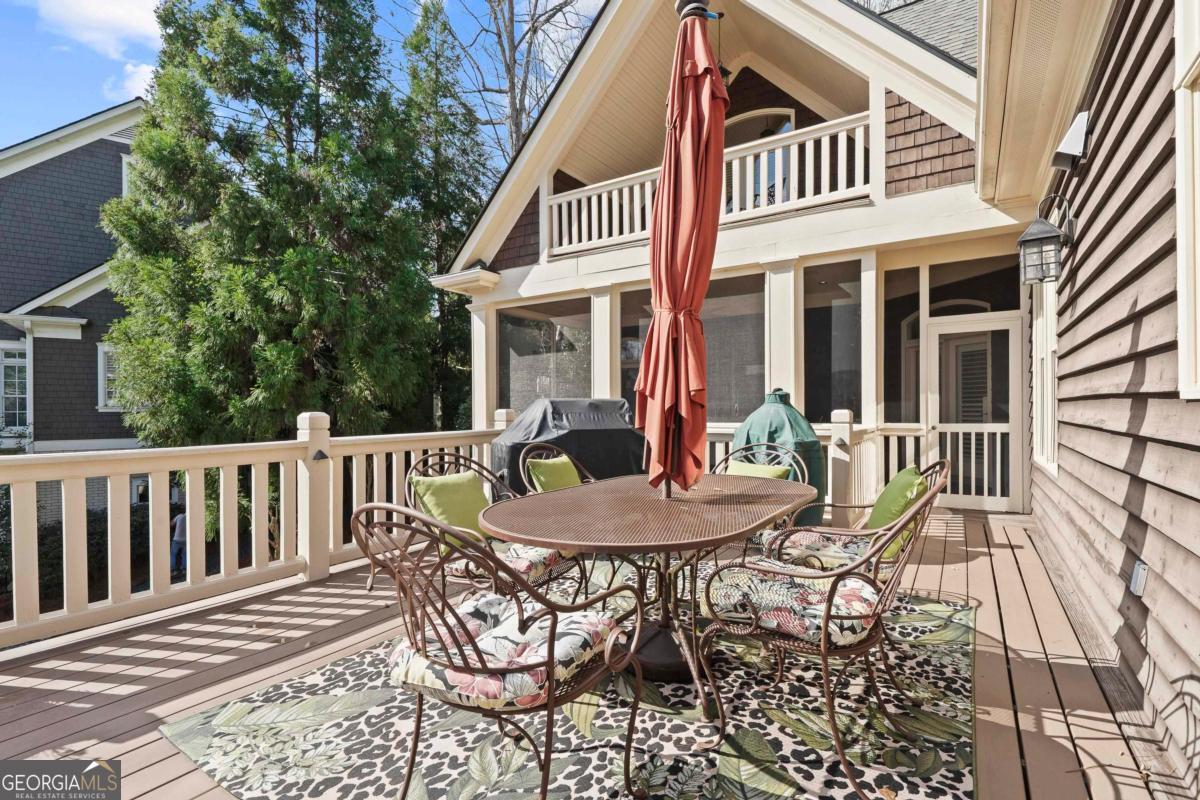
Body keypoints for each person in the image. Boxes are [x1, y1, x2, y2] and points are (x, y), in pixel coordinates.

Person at [170, 511, 187, 578]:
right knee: (184, 555)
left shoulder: (179, 516)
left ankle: (173, 570)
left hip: (177, 539)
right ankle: (184, 569)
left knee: (173, 554)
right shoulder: (191, 519)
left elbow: (171, 524)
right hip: (186, 540)